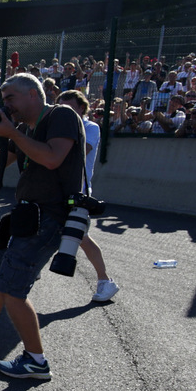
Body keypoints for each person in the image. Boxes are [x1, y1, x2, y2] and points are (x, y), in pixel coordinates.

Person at [0, 72, 85, 380]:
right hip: (27, 212)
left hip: (50, 216)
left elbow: (53, 158)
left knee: (13, 290)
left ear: (33, 94)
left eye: (10, 98)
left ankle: (35, 361)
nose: (6, 105)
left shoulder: (61, 115)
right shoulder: (21, 128)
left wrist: (12, 134)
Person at [57, 90, 119, 302]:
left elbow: (81, 150)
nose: (64, 111)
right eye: (61, 107)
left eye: (69, 107)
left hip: (79, 191)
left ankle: (105, 281)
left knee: (81, 238)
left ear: (81, 107)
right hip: (57, 189)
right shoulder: (58, 129)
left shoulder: (90, 127)